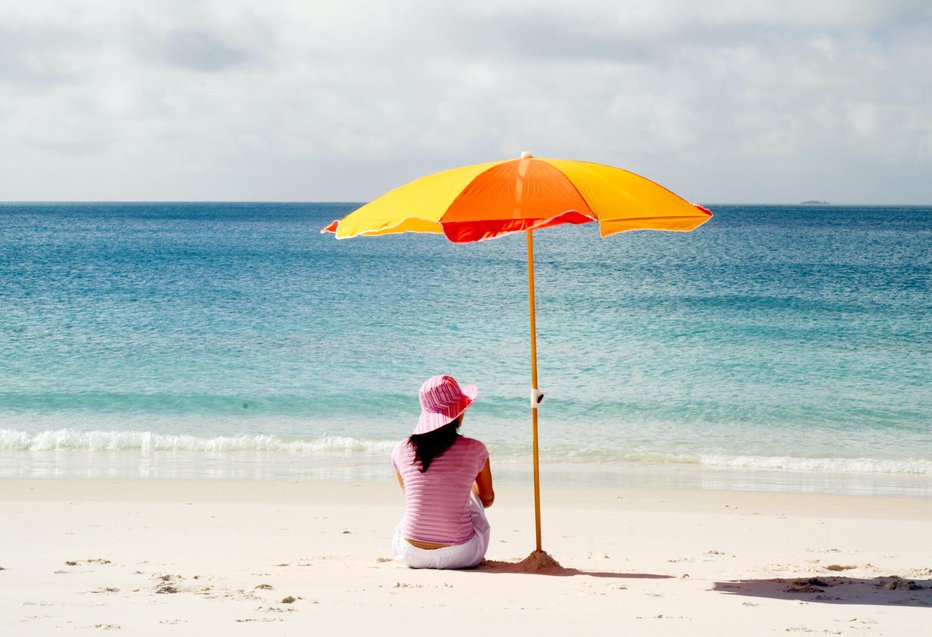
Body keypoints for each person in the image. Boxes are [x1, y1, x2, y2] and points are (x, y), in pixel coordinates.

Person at [391, 375, 494, 569]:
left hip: (410, 553)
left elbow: (411, 493)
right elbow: (487, 499)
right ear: (459, 413)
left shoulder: (400, 449)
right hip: (460, 554)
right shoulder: (476, 449)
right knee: (470, 496)